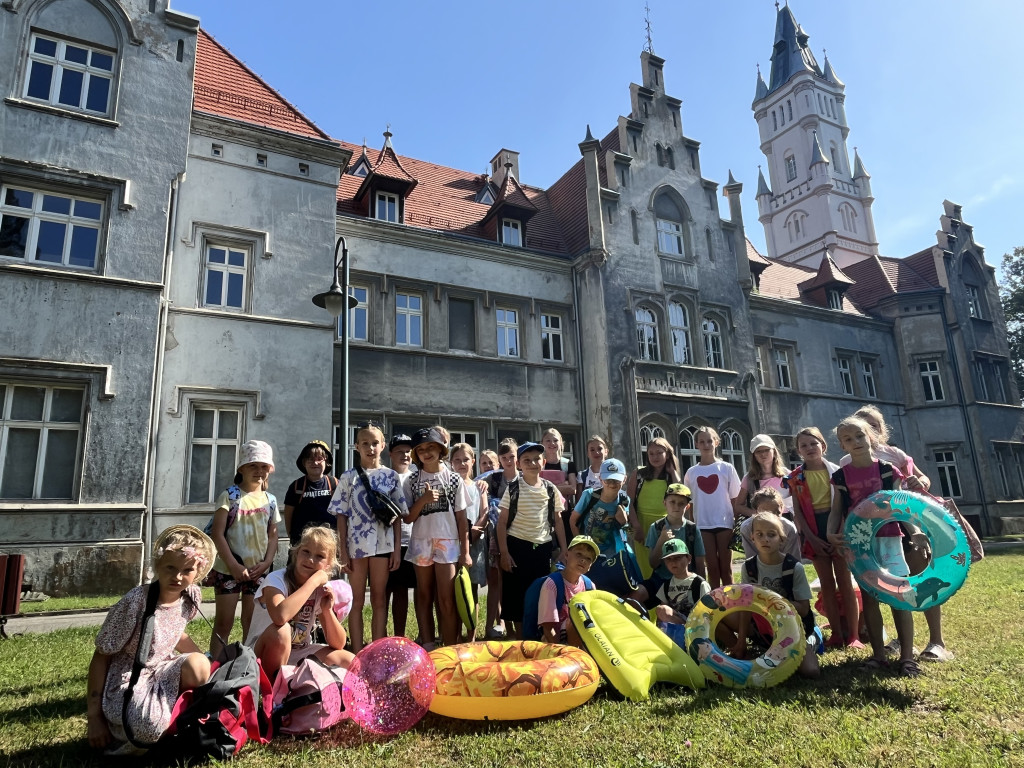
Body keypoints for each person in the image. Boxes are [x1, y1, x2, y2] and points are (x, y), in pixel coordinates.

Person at [88, 525, 214, 754]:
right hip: (130, 677)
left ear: (198, 571)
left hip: (164, 669)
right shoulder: (136, 602)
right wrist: (94, 717)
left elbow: (176, 633)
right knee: (149, 727)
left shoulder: (191, 596)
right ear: (157, 564)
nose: (177, 577)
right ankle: (126, 726)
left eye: (187, 570)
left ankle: (174, 720)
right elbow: (101, 655)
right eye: (170, 568)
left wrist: (207, 664)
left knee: (199, 666)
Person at [844, 405, 950, 663]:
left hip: (906, 522)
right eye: (862, 424)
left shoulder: (895, 454)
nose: (868, 431)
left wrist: (919, 482)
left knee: (919, 579)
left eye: (873, 425)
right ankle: (901, 642)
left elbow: (922, 481)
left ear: (879, 429)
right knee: (884, 585)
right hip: (873, 532)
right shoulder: (848, 461)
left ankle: (936, 640)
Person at [828, 416, 920, 677]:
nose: (855, 442)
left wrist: (915, 533)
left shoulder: (888, 471)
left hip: (890, 540)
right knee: (870, 599)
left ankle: (907, 657)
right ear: (842, 446)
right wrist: (830, 533)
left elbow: (902, 506)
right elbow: (837, 510)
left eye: (860, 435)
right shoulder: (840, 476)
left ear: (871, 436)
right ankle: (878, 655)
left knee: (899, 597)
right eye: (848, 439)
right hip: (859, 545)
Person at [328, 423, 406, 653]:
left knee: (380, 599)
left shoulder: (390, 476)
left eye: (375, 443)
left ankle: (377, 650)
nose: (370, 448)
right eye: (365, 443)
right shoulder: (348, 477)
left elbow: (398, 515)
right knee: (357, 601)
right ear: (356, 446)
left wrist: (397, 550)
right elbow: (340, 515)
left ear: (382, 445)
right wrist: (342, 550)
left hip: (383, 545)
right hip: (356, 547)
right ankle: (357, 651)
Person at [245, 526, 354, 680]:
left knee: (348, 660)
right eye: (306, 552)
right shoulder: (276, 579)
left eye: (319, 556)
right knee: (282, 632)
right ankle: (274, 693)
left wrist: (327, 611)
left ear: (328, 565)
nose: (310, 560)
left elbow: (338, 644)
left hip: (298, 651)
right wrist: (314, 580)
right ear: (297, 552)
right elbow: (280, 616)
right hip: (260, 654)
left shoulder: (320, 589)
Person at [786, 426, 859, 649]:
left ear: (823, 446)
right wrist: (812, 538)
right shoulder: (795, 478)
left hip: (837, 527)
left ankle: (854, 635)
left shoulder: (838, 473)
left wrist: (840, 533)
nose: (809, 448)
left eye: (813, 443)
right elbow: (797, 512)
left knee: (845, 582)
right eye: (803, 445)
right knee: (827, 584)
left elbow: (845, 506)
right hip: (812, 529)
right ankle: (836, 632)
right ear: (798, 451)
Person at [207, 440, 280, 658]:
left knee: (252, 623)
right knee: (224, 623)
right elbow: (217, 533)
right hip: (229, 570)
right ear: (241, 468)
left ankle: (248, 666)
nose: (259, 471)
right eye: (253, 465)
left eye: (264, 467)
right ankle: (216, 668)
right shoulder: (230, 496)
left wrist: (267, 563)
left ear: (269, 470)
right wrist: (233, 565)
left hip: (258, 571)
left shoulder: (271, 500)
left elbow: (273, 535)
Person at [404, 427, 471, 648]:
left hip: (448, 542)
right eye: (421, 449)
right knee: (423, 595)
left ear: (441, 449)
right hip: (421, 542)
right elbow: (407, 518)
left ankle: (450, 645)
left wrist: (466, 552)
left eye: (431, 447)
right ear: (415, 454)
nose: (426, 452)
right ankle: (429, 644)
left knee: (447, 598)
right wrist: (423, 500)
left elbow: (462, 519)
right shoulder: (412, 481)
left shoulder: (453, 479)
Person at [731, 513, 820, 679]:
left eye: (771, 534)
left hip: (793, 628)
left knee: (810, 671)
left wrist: (769, 596)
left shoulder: (794, 568)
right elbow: (745, 608)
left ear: (781, 539)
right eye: (760, 535)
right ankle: (745, 649)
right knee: (724, 617)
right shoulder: (748, 568)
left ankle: (814, 638)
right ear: (752, 538)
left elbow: (803, 609)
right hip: (762, 627)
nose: (765, 539)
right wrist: (741, 640)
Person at [497, 441, 568, 638]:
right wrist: (504, 553)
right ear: (519, 464)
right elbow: (502, 523)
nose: (532, 463)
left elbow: (558, 521)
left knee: (541, 597)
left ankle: (538, 639)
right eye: (526, 460)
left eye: (536, 459)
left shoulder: (551, 489)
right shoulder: (513, 488)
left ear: (543, 462)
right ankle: (521, 641)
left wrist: (563, 549)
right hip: (517, 547)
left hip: (542, 549)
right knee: (517, 599)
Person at [683, 427, 741, 589]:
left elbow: (735, 498)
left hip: (725, 523)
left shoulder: (727, 468)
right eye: (702, 441)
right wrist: (692, 525)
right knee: (712, 568)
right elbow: (690, 503)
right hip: (703, 525)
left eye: (709, 441)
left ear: (716, 442)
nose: (706, 444)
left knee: (726, 568)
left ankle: (732, 604)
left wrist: (735, 522)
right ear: (696, 444)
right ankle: (715, 605)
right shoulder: (691, 473)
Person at [627, 437, 682, 578]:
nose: (655, 457)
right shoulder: (639, 474)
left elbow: (680, 494)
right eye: (651, 453)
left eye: (659, 453)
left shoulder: (671, 477)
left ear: (668, 454)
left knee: (666, 563)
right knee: (644, 565)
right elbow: (629, 502)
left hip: (664, 527)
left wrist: (672, 472)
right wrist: (636, 526)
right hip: (642, 524)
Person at [481, 438, 520, 638]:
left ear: (517, 457)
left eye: (511, 456)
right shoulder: (493, 478)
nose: (508, 461)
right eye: (504, 458)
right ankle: (491, 627)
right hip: (495, 537)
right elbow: (474, 485)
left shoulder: (524, 479)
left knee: (513, 584)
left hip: (519, 536)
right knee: (495, 581)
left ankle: (515, 627)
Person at [451, 442, 489, 639]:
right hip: (454, 542)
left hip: (475, 544)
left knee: (471, 590)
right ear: (451, 463)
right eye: (457, 460)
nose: (461, 463)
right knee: (453, 591)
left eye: (465, 459)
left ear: (473, 461)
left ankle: (471, 634)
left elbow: (485, 512)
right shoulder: (450, 485)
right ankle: (454, 633)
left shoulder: (478, 487)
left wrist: (475, 530)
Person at [537, 535, 599, 646]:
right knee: (577, 617)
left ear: (590, 566)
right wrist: (561, 653)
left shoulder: (590, 586)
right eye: (578, 554)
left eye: (588, 558)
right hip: (555, 642)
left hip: (583, 641)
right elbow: (548, 628)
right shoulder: (552, 584)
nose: (583, 560)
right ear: (566, 555)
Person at [386, 433, 418, 638]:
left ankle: (400, 635)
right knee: (385, 591)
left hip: (413, 541)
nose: (405, 455)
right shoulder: (385, 476)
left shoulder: (417, 477)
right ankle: (381, 636)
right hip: (387, 543)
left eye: (408, 451)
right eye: (400, 451)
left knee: (403, 592)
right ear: (390, 454)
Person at [643, 482, 706, 586]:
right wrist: (662, 540)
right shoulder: (656, 527)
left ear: (688, 506)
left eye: (681, 503)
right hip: (661, 580)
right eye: (672, 502)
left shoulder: (693, 529)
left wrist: (700, 586)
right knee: (638, 594)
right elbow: (653, 564)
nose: (676, 506)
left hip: (686, 581)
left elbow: (700, 564)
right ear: (664, 503)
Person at [569, 458, 629, 557]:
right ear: (600, 479)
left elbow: (627, 531)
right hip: (587, 550)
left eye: (617, 481)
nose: (612, 484)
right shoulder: (589, 495)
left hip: (611, 552)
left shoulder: (624, 500)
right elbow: (573, 521)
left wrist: (624, 522)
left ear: (624, 479)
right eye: (608, 481)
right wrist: (580, 545)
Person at [282, 440, 337, 547]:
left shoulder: (335, 484)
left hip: (329, 545)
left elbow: (342, 514)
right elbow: (288, 515)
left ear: (327, 462)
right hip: (302, 544)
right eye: (310, 459)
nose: (315, 463)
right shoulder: (296, 486)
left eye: (319, 459)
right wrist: (292, 538)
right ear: (304, 463)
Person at [733, 434, 792, 520]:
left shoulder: (787, 474)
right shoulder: (749, 478)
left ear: (774, 452)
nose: (763, 454)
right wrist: (756, 514)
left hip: (785, 519)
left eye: (767, 450)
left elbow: (797, 500)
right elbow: (738, 506)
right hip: (762, 523)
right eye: (758, 451)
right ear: (754, 456)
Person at [540, 427, 578, 548]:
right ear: (542, 443)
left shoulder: (568, 464)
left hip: (564, 514)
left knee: (566, 548)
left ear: (561, 443)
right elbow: (536, 488)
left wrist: (548, 486)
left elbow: (573, 489)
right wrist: (562, 486)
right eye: (548, 440)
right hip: (542, 514)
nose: (552, 443)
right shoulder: (539, 465)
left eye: (555, 440)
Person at [739, 487, 801, 561]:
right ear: (756, 511)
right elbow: (751, 561)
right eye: (766, 513)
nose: (771, 518)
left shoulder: (789, 529)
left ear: (782, 509)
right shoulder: (747, 528)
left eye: (776, 513)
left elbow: (793, 561)